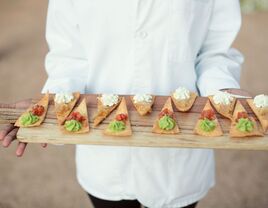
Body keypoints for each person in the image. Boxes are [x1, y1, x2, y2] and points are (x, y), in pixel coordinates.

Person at [0, 0, 251, 207]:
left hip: (179, 161)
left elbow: (214, 52)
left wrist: (224, 92)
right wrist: (51, 105)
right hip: (105, 159)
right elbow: (69, 58)